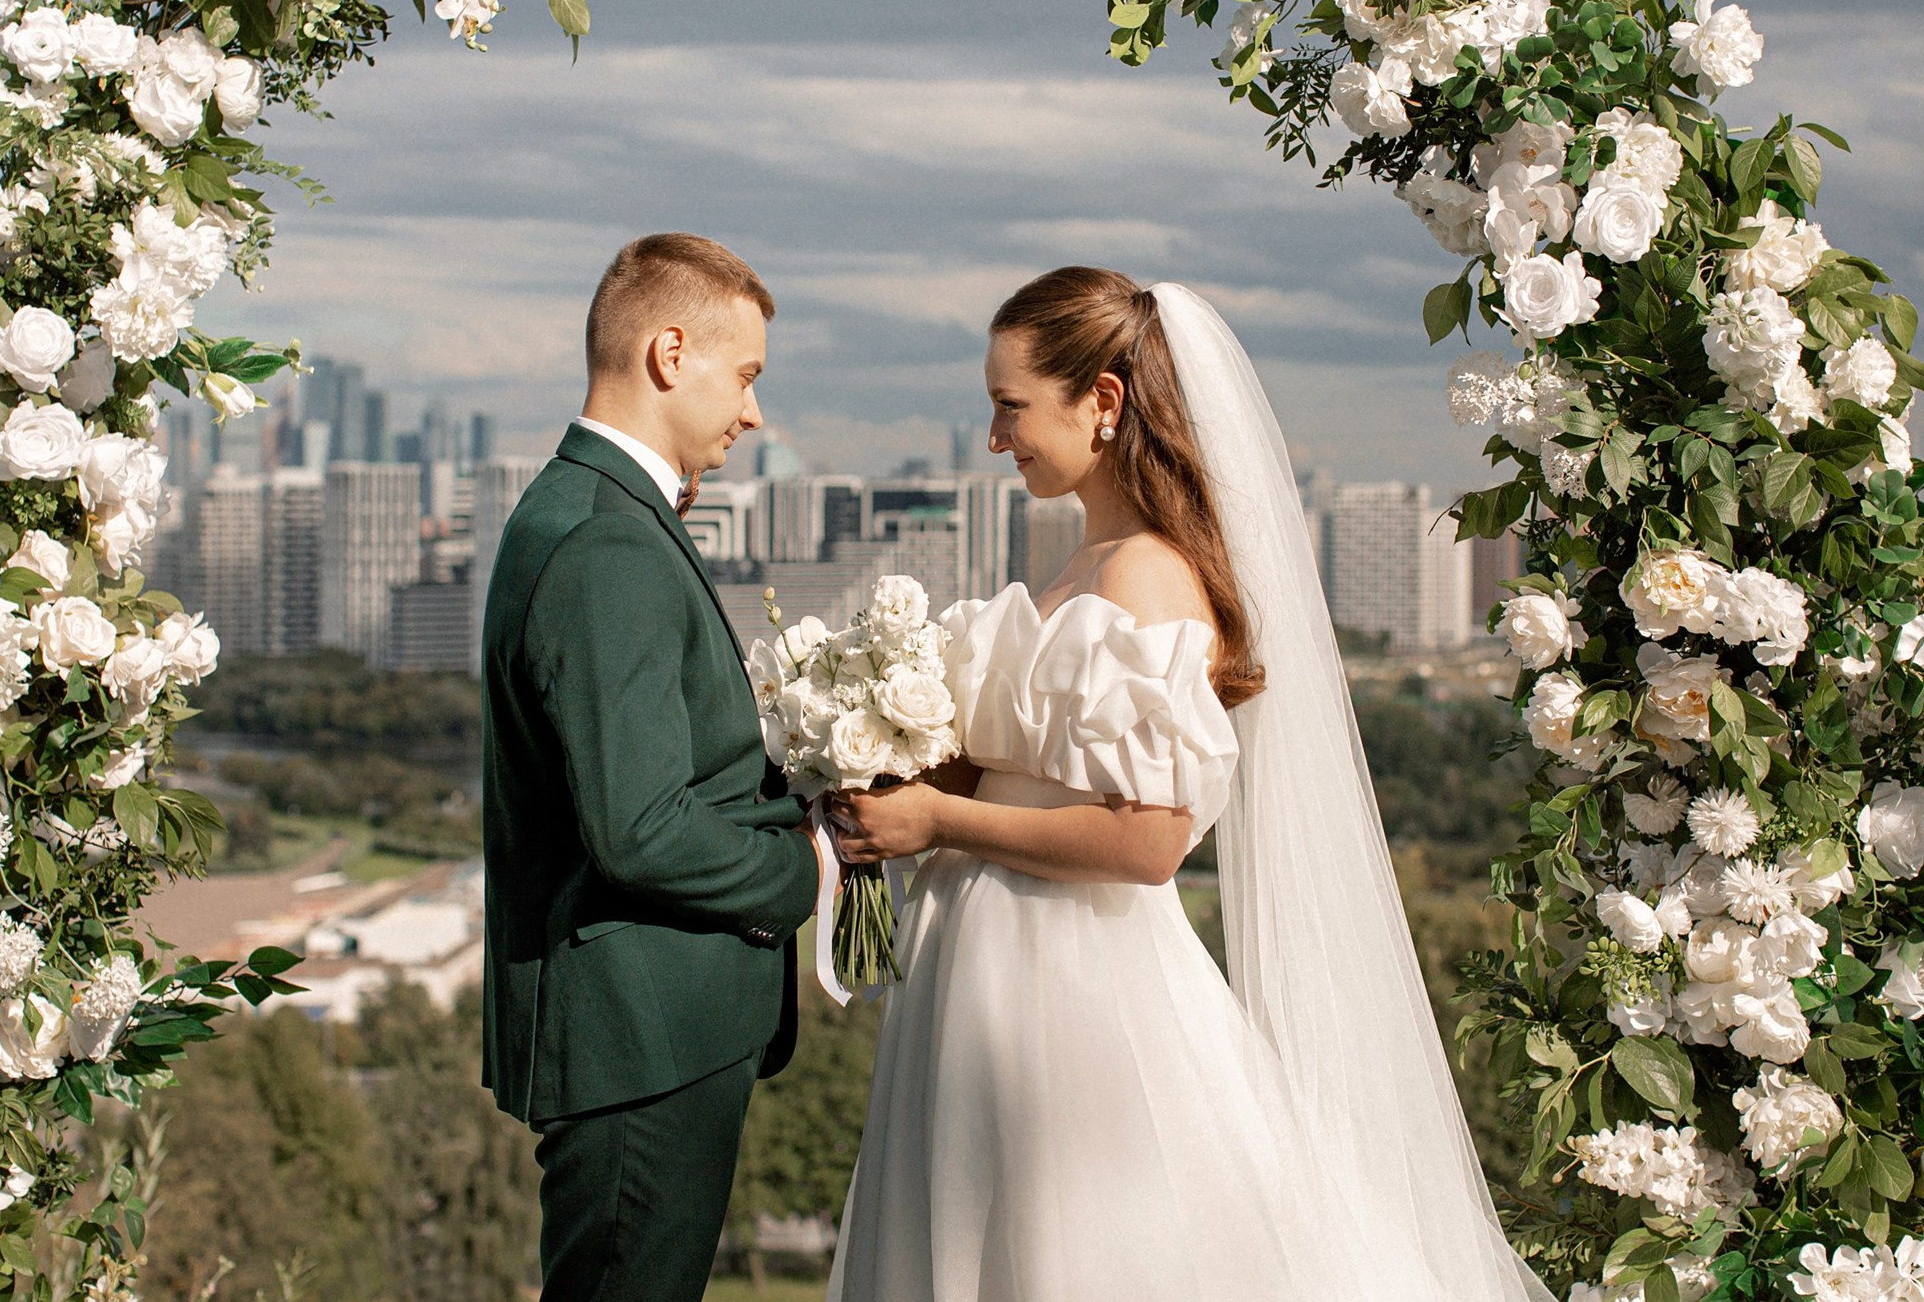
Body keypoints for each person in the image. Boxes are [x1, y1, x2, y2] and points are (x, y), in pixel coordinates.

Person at [827, 267, 1550, 1302]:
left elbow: (1148, 842)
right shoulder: (1086, 562)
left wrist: (937, 817)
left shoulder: (1147, 578)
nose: (996, 437)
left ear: (1104, 403)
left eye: (1011, 406)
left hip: (1068, 991)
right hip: (984, 974)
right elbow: (1032, 770)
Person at [479, 233, 831, 1302]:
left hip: (656, 1028)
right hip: (641, 1038)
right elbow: (639, 826)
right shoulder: (605, 543)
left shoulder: (603, 513)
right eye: (747, 375)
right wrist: (811, 870)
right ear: (671, 353)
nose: (755, 411)